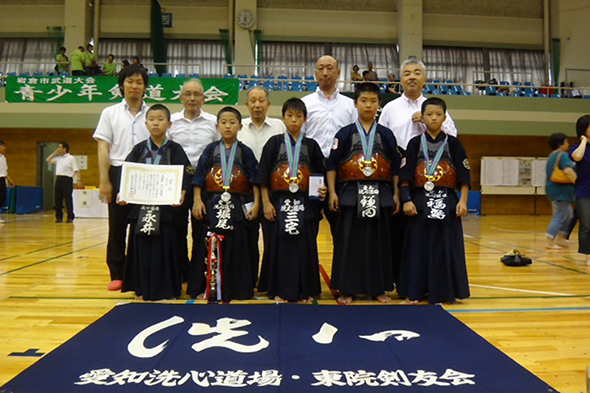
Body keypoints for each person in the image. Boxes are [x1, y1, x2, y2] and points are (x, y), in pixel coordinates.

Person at [327, 82, 401, 304]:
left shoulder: (387, 135)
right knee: (349, 242)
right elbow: (331, 165)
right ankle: (347, 289)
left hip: (380, 193)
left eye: (372, 101)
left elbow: (396, 167)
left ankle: (378, 289)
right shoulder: (344, 133)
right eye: (363, 100)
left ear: (379, 104)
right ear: (355, 103)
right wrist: (332, 192)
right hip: (350, 193)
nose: (368, 105)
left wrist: (396, 194)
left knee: (379, 243)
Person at [398, 97, 471, 304]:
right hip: (419, 201)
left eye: (438, 114)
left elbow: (465, 175)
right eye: (429, 114)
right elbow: (405, 176)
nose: (434, 118)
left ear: (445, 117)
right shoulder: (414, 144)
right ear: (422, 117)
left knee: (443, 247)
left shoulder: (454, 144)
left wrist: (463, 201)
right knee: (418, 247)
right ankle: (415, 291)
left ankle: (443, 292)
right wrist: (406, 200)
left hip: (446, 201)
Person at [256, 98, 327, 303]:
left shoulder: (311, 146)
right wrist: (266, 203)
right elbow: (263, 176)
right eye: (290, 115)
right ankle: (279, 289)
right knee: (279, 246)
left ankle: (305, 290)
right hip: (278, 202)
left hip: (305, 203)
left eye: (298, 116)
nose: (294, 120)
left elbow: (320, 175)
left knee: (305, 246)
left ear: (305, 119)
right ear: (283, 118)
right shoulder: (274, 143)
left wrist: (321, 192)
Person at [120, 104, 192, 301]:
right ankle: (142, 288)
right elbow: (127, 173)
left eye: (160, 119)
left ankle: (167, 289)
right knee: (142, 249)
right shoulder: (139, 149)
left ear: (169, 124)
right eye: (151, 119)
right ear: (146, 124)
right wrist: (123, 193)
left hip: (166, 211)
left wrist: (183, 192)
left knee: (166, 249)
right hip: (142, 209)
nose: (155, 122)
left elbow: (186, 174)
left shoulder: (175, 149)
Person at [188, 107, 260, 302]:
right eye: (224, 123)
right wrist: (197, 200)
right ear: (217, 126)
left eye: (232, 122)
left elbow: (255, 181)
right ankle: (207, 287)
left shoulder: (246, 152)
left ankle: (239, 288)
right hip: (212, 204)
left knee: (238, 246)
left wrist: (256, 204)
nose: (228, 126)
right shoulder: (210, 150)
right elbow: (199, 178)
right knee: (209, 245)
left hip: (238, 204)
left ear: (240, 126)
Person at [93, 64, 150, 291]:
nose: (134, 86)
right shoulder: (110, 113)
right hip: (118, 172)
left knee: (143, 225)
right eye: (130, 81)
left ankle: (138, 271)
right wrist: (104, 180)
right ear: (121, 85)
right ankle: (116, 273)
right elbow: (102, 148)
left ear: (145, 87)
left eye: (139, 82)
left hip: (147, 175)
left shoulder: (153, 113)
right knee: (117, 226)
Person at [167, 79, 219, 281]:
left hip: (204, 182)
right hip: (178, 181)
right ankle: (180, 273)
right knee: (177, 229)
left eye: (197, 94)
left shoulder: (213, 122)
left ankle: (199, 273)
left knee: (202, 230)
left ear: (204, 98)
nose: (192, 98)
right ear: (181, 98)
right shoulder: (171, 122)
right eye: (188, 94)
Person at [302, 55, 357, 234]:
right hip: (312, 171)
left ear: (339, 72)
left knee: (340, 223)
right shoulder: (306, 103)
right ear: (315, 73)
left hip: (341, 171)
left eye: (330, 68)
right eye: (321, 68)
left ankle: (341, 263)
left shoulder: (350, 105)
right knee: (309, 222)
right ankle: (311, 263)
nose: (325, 73)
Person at [379, 59, 458, 152]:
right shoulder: (390, 108)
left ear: (424, 80)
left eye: (417, 73)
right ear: (401, 81)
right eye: (407, 74)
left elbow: (452, 135)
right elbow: (380, 138)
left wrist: (428, 120)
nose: (412, 77)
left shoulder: (434, 107)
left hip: (429, 161)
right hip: (398, 162)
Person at [545, 133, 577, 249]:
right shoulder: (563, 155)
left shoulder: (552, 156)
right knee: (559, 215)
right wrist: (577, 182)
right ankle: (549, 241)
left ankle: (561, 238)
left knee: (568, 214)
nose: (568, 144)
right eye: (566, 142)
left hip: (555, 190)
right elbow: (568, 171)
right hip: (560, 192)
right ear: (560, 144)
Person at [240, 86, 286, 161]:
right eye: (253, 101)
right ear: (247, 105)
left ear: (268, 104)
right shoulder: (239, 127)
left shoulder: (279, 126)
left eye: (261, 101)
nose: (257, 105)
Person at [570, 115, 590, 266]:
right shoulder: (577, 148)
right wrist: (583, 141)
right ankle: (588, 255)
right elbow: (577, 157)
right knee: (586, 224)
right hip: (584, 192)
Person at [45, 142, 81, 223]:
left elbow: (76, 170)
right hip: (59, 179)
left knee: (67, 199)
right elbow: (48, 160)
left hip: (67, 179)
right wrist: (55, 153)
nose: (58, 148)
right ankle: (59, 217)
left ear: (65, 149)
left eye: (60, 147)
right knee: (58, 198)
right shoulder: (58, 158)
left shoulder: (71, 158)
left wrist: (78, 180)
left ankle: (70, 216)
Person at [0, 140, 15, 223]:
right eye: (3, 146)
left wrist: (10, 180)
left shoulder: (3, 158)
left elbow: (5, 171)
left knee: (2, 197)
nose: (4, 148)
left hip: (2, 179)